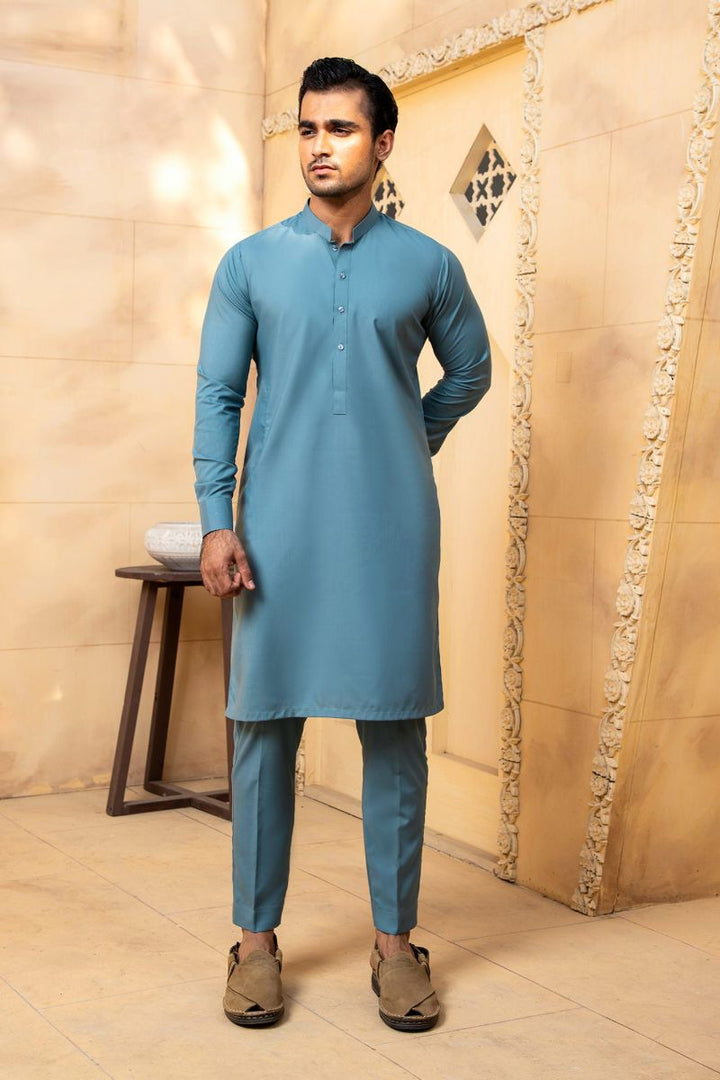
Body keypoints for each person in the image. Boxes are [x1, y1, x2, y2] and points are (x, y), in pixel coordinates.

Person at [192, 56, 491, 1032]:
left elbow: (471, 371)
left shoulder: (428, 264)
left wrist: (410, 436)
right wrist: (217, 516)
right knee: (263, 727)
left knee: (395, 728)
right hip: (273, 530)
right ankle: (254, 943)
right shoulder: (250, 264)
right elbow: (219, 394)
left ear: (382, 143)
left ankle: (396, 946)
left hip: (391, 527)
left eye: (342, 129)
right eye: (309, 129)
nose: (320, 147)